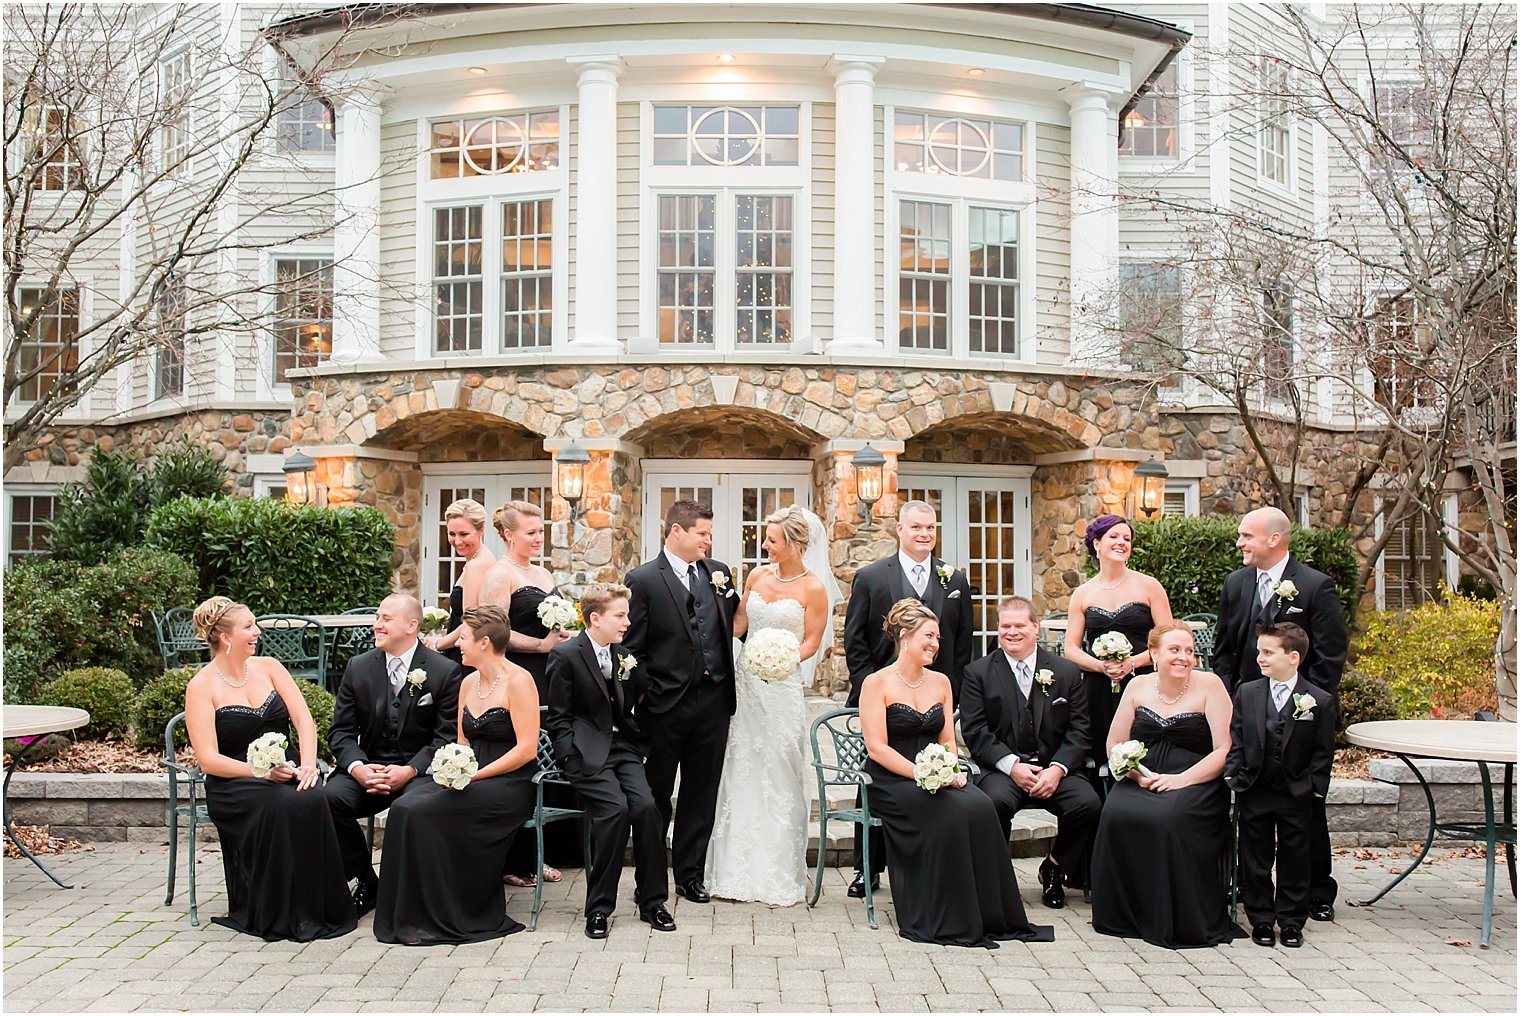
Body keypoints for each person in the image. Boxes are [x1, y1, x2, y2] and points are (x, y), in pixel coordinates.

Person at [858, 600, 1053, 947]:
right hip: (889, 779)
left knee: (980, 806)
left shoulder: (942, 682)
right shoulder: (877, 683)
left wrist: (951, 769)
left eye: (937, 637)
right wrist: (921, 772)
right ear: (905, 636)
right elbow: (877, 748)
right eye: (928, 636)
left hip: (937, 775)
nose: (935, 643)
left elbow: (947, 739)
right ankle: (946, 911)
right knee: (950, 812)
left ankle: (990, 912)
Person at [183, 596, 355, 941]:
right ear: (225, 637)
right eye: (248, 627)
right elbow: (208, 760)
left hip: (289, 770)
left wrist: (308, 764)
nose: (257, 632)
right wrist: (258, 771)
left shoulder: (269, 667)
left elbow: (304, 720)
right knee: (288, 804)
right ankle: (281, 912)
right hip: (235, 783)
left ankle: (320, 905)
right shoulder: (201, 686)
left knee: (315, 797)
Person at [373, 604, 540, 945]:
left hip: (510, 785)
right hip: (469, 778)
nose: (457, 644)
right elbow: (462, 744)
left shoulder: (520, 681)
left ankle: (451, 911)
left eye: (463, 637)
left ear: (484, 643)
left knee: (424, 811)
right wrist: (454, 768)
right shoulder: (468, 683)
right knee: (407, 804)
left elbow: (526, 749)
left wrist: (475, 777)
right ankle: (406, 912)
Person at [1212, 506, 1347, 922]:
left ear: (1274, 539)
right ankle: (1250, 888)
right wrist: (1233, 701)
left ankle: (1316, 889)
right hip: (1247, 712)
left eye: (1246, 536)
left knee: (1304, 808)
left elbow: (1329, 657)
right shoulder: (1236, 583)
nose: (1239, 544)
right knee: (1253, 808)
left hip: (1300, 715)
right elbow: (1224, 650)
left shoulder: (1313, 586)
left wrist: (1307, 706)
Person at [705, 505, 841, 906]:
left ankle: (778, 875)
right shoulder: (757, 576)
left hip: (782, 691)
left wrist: (784, 659)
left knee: (779, 773)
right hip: (747, 688)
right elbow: (739, 626)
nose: (764, 545)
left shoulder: (814, 587)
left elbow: (813, 641)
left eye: (772, 540)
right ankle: (734, 872)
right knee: (742, 769)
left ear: (797, 543)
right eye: (766, 538)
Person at [842, 499, 973, 898]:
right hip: (885, 700)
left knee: (932, 786)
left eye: (930, 528)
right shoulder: (870, 577)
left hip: (933, 702)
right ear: (899, 529)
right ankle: (867, 869)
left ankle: (923, 863)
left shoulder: (955, 580)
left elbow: (963, 644)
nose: (924, 534)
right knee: (875, 779)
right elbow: (855, 643)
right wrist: (877, 690)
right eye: (916, 527)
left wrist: (947, 697)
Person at [1089, 623, 1241, 949]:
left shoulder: (1210, 685)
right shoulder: (1137, 687)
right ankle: (1125, 914)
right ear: (1154, 654)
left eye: (1188, 650)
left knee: (1168, 819)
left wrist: (1180, 780)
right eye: (1174, 650)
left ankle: (1173, 914)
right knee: (1115, 812)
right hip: (1144, 777)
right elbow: (1115, 742)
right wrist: (1136, 775)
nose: (1184, 657)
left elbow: (1225, 750)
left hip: (1197, 781)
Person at [622, 499, 738, 904]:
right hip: (663, 706)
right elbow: (629, 648)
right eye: (702, 533)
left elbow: (728, 626)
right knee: (655, 796)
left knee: (700, 792)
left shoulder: (718, 574)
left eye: (709, 533)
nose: (709, 540)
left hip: (713, 701)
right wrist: (646, 692)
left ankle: (691, 876)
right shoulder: (642, 579)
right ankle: (650, 883)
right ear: (676, 532)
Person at [545, 583, 674, 939]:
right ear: (595, 618)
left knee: (648, 809)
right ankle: (599, 909)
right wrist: (570, 756)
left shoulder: (623, 654)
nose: (627, 622)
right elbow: (558, 717)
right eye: (620, 616)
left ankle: (652, 902)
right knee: (614, 812)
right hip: (587, 753)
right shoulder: (566, 655)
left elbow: (629, 700)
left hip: (623, 748)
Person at [323, 593, 461, 918]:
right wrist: (357, 767)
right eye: (377, 617)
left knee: (408, 809)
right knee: (327, 800)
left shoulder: (444, 671)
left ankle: (404, 895)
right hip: (368, 769)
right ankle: (367, 881)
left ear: (412, 626)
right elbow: (340, 732)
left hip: (419, 774)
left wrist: (411, 770)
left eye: (386, 618)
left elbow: (446, 737)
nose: (377, 624)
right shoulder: (359, 667)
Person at [959, 596, 1100, 909]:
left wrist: (1058, 769)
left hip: (1054, 770)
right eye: (1005, 626)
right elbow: (975, 732)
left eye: (1019, 625)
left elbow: (1080, 731)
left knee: (1088, 804)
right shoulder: (977, 673)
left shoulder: (1065, 672)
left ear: (1035, 627)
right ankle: (998, 881)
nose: (1012, 632)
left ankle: (1055, 865)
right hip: (1003, 771)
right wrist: (1012, 767)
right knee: (992, 803)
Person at [480, 499, 575, 885]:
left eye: (541, 531)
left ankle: (550, 849)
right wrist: (539, 646)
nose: (539, 538)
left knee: (549, 754)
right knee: (524, 756)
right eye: (531, 532)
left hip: (550, 673)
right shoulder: (499, 575)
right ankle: (516, 860)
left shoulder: (543, 573)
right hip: (520, 672)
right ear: (508, 534)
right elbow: (492, 630)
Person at [1225, 622, 1335, 949]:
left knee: (1295, 858)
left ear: (1294, 657)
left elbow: (1323, 752)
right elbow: (1238, 738)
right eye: (1259, 651)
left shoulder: (1319, 700)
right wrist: (1236, 775)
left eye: (1268, 653)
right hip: (1256, 788)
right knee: (1255, 857)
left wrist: (1313, 789)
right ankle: (1260, 918)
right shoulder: (1247, 692)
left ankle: (1290, 921)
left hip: (1296, 793)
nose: (1260, 658)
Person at [1063, 515, 1174, 776]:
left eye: (1127, 539)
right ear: (1097, 544)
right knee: (1100, 746)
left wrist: (1132, 663)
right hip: (1097, 686)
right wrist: (1101, 666)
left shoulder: (1150, 586)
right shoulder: (1083, 593)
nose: (1122, 542)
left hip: (1143, 680)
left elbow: (1167, 640)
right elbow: (1071, 648)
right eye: (1114, 537)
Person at [424, 497, 496, 669]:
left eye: (464, 534)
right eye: (452, 534)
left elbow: (470, 623)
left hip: (465, 655)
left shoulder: (477, 565)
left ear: (481, 530)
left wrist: (437, 644)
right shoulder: (476, 560)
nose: (457, 541)